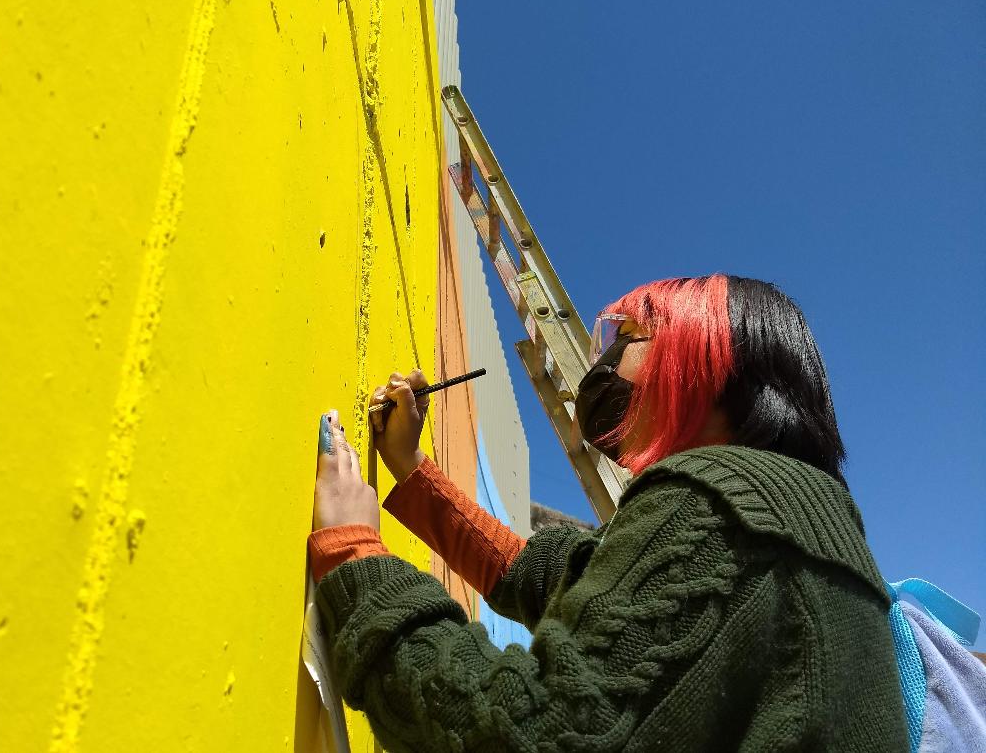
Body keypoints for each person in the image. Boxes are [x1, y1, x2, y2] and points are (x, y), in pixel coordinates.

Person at [308, 275, 908, 752]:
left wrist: (356, 559)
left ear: (703, 354)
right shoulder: (797, 519)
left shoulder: (722, 500)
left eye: (625, 340)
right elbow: (548, 576)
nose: (604, 363)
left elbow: (525, 734)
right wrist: (413, 470)